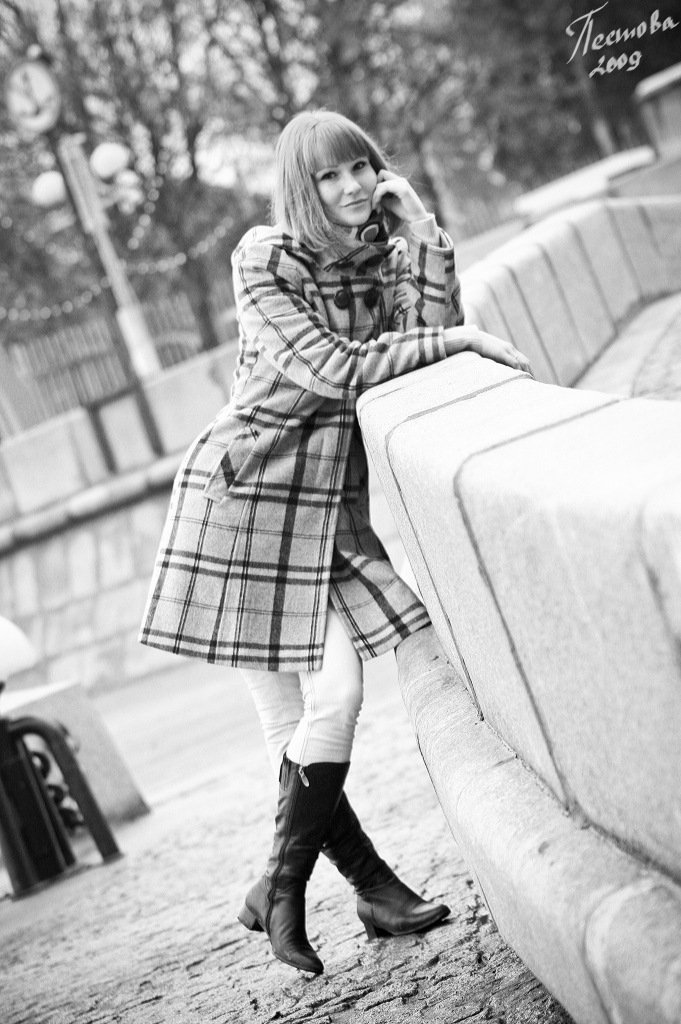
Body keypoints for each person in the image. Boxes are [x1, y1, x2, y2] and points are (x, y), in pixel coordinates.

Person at [139, 109, 531, 976]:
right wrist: (455, 336)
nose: (352, 187)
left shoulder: (382, 258)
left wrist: (422, 233)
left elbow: (427, 339)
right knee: (328, 697)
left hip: (327, 510)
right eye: (329, 175)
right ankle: (304, 887)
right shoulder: (264, 258)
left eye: (361, 167)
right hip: (246, 498)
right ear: (300, 187)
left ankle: (307, 890)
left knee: (299, 721)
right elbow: (332, 368)